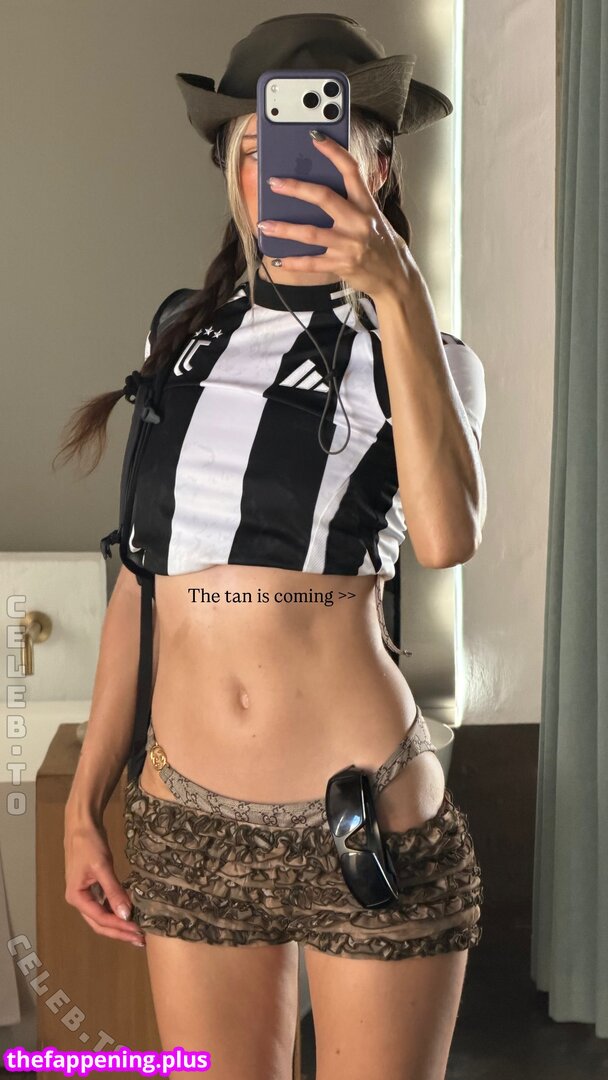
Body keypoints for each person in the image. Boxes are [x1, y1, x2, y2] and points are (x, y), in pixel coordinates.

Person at [60, 13, 487, 1080]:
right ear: (231, 174)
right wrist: (82, 801)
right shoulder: (179, 334)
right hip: (186, 820)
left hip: (365, 816)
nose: (279, 173)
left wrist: (396, 289)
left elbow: (446, 539)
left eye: (317, 146)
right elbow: (141, 585)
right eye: (253, 150)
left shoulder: (428, 355)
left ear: (376, 169)